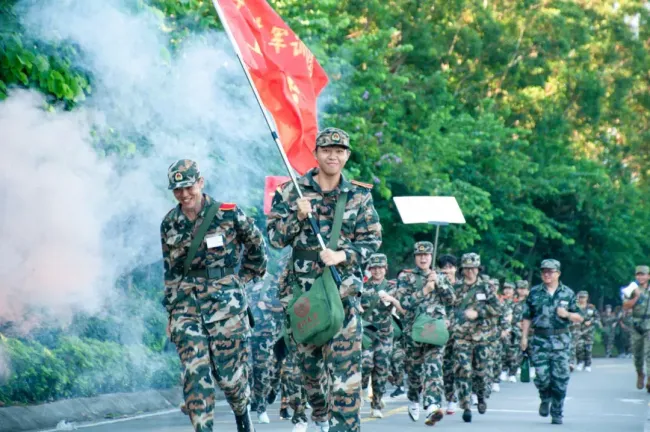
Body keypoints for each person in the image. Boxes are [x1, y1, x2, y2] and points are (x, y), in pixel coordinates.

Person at [266, 127, 382, 432]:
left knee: (346, 381)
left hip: (342, 297)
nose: (333, 155)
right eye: (327, 150)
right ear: (316, 154)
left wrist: (342, 255)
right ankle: (318, 412)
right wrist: (297, 217)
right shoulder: (292, 192)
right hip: (305, 299)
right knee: (310, 374)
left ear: (347, 156)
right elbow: (275, 239)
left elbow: (372, 241)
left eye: (340, 151)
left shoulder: (359, 195)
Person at [160, 159, 267, 432]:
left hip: (226, 307)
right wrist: (171, 313)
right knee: (195, 374)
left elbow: (257, 245)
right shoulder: (170, 223)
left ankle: (242, 412)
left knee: (230, 379)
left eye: (188, 187)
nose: (184, 195)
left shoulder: (228, 214)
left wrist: (242, 279)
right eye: (177, 190)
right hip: (186, 306)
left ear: (200, 182)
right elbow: (170, 272)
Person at [396, 241, 455, 426]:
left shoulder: (439, 276)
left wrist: (439, 284)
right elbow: (403, 303)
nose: (423, 258)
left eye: (427, 255)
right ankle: (414, 398)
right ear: (415, 257)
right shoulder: (406, 277)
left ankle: (432, 405)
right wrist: (425, 290)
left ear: (431, 257)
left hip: (434, 329)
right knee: (414, 372)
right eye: (420, 255)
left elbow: (451, 300)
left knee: (434, 367)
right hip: (413, 330)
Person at [521, 259, 583, 425]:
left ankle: (557, 412)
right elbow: (526, 317)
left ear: (558, 273)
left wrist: (567, 315)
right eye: (544, 271)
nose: (546, 274)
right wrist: (524, 337)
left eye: (550, 271)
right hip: (540, 340)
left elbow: (579, 317)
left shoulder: (568, 293)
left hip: (561, 341)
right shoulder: (534, 293)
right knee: (542, 377)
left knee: (560, 379)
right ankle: (545, 397)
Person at [452, 253, 501, 423]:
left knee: (480, 372)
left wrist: (478, 313)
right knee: (463, 370)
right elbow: (449, 308)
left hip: (483, 337)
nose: (470, 271)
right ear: (462, 269)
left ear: (478, 269)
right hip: (461, 337)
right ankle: (466, 406)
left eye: (473, 268)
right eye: (466, 268)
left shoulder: (486, 287)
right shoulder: (456, 287)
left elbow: (497, 309)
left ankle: (480, 396)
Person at [359, 253, 402, 419]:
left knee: (381, 368)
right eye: (374, 267)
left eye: (380, 267)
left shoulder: (393, 287)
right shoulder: (362, 287)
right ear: (370, 269)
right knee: (365, 363)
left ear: (385, 269)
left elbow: (402, 307)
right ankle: (363, 389)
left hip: (385, 334)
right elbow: (353, 305)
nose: (377, 270)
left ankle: (376, 404)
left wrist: (392, 299)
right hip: (367, 333)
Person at [622, 265, 650, 391]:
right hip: (636, 325)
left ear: (648, 276)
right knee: (637, 354)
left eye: (643, 274)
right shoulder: (632, 289)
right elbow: (625, 306)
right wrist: (636, 297)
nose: (640, 277)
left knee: (649, 354)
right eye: (638, 274)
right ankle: (640, 373)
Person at [439, 254, 460, 415]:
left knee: (455, 367)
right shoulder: (437, 285)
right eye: (444, 268)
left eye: (450, 267)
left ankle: (453, 398)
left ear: (455, 269)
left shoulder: (462, 287)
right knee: (442, 366)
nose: (447, 271)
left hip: (459, 332)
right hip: (439, 331)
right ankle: (442, 398)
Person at [574, 291, 600, 372]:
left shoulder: (591, 307)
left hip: (589, 331)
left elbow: (597, 318)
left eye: (583, 297)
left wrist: (591, 322)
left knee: (588, 348)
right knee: (579, 347)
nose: (582, 299)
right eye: (580, 297)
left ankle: (588, 364)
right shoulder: (575, 307)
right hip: (578, 331)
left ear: (587, 298)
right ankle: (580, 362)